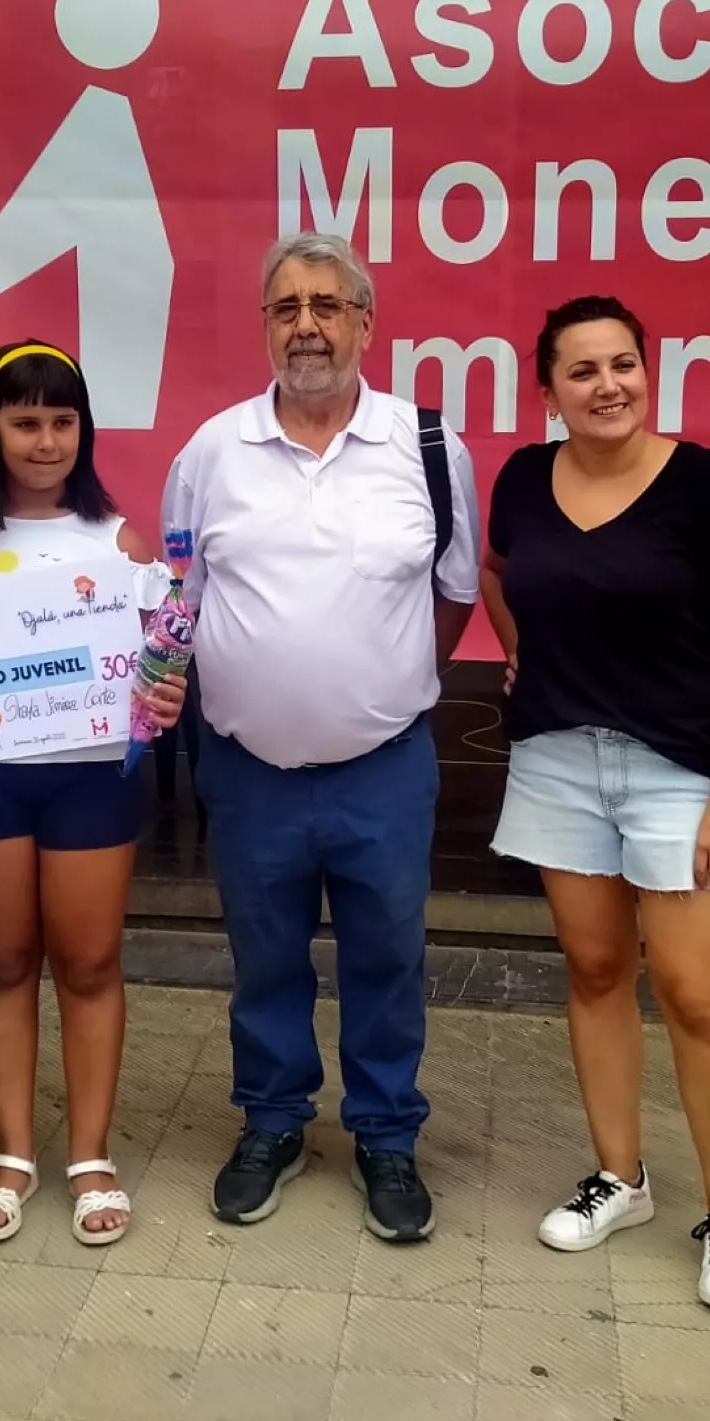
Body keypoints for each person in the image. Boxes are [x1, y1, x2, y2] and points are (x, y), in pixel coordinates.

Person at [163, 232, 479, 1244]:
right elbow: (181, 600)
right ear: (263, 326)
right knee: (265, 959)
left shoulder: (426, 447)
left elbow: (455, 595)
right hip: (248, 771)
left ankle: (387, 1135)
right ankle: (273, 1122)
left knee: (388, 957)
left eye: (328, 305)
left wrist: (380, 687)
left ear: (365, 324)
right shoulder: (211, 453)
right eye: (285, 307)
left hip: (383, 771)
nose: (306, 325)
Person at [479, 295, 710, 1311]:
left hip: (681, 772)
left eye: (624, 365)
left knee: (696, 995)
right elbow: (497, 572)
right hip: (559, 759)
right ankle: (622, 1177)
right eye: (582, 371)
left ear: (648, 371)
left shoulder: (708, 485)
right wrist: (522, 656)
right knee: (597, 970)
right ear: (550, 389)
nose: (608, 386)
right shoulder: (525, 477)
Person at [0, 340, 186, 1246]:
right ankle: (14, 1151)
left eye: (63, 421)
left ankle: (91, 1153)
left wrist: (163, 689)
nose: (46, 439)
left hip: (90, 779)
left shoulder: (117, 540)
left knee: (91, 963)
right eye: (25, 420)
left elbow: (161, 659)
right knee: (4, 959)